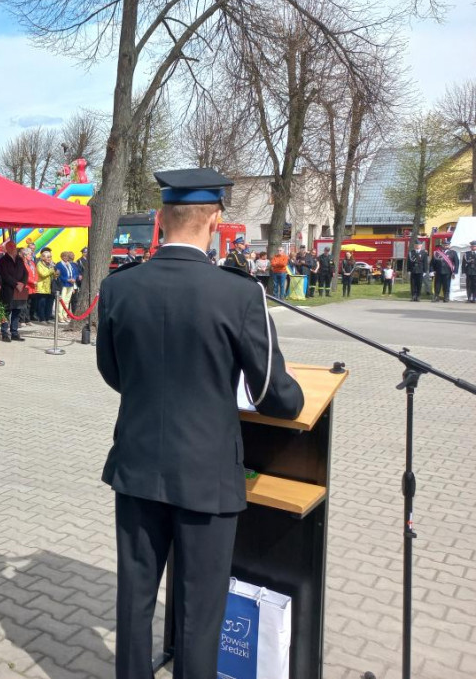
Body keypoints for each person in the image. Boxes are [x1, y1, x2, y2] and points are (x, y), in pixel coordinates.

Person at [97, 168, 304, 679]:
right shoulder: (238, 293)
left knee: (135, 602)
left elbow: (112, 371)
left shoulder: (119, 288)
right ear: (214, 220)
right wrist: (293, 388)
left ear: (161, 220)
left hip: (139, 464)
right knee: (198, 612)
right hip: (207, 475)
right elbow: (276, 396)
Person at [0, 241, 27, 342]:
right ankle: (4, 333)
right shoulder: (3, 260)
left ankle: (14, 332)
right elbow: (4, 275)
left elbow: (25, 272)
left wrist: (22, 283)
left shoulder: (19, 259)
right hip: (7, 290)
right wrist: (15, 284)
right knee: (6, 312)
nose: (12, 248)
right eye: (10, 246)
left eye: (14, 246)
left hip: (19, 290)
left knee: (17, 311)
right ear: (6, 248)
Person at [34, 248, 58, 323]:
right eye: (47, 257)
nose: (49, 259)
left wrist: (56, 273)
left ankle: (48, 318)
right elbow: (43, 274)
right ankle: (42, 318)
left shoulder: (51, 264)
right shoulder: (39, 264)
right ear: (43, 257)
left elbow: (54, 275)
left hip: (50, 287)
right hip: (42, 288)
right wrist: (51, 270)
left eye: (50, 257)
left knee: (49, 304)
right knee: (42, 304)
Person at [55, 251, 79, 324]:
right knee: (61, 300)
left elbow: (75, 273)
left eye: (67, 256)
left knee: (67, 301)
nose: (66, 258)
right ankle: (60, 316)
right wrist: (67, 279)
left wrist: (74, 279)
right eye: (64, 256)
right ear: (62, 257)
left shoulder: (70, 264)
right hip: (63, 284)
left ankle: (65, 315)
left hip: (70, 284)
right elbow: (58, 275)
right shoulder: (59, 264)